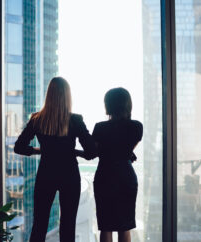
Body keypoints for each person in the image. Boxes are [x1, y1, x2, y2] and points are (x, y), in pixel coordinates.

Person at [14, 77, 97, 242]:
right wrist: (75, 152)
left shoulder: (37, 119)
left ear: (49, 95)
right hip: (69, 175)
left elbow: (19, 147)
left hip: (46, 174)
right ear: (68, 96)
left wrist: (40, 150)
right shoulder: (75, 120)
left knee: (39, 225)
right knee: (68, 226)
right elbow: (91, 152)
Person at [92, 87, 143, 242]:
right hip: (125, 177)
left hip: (105, 176)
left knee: (105, 226)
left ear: (108, 105)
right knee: (124, 226)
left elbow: (94, 152)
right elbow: (126, 149)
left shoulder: (100, 127)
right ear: (128, 104)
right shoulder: (136, 127)